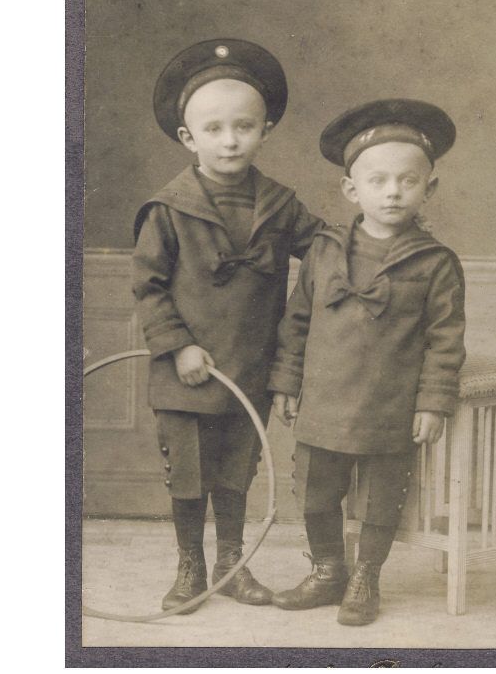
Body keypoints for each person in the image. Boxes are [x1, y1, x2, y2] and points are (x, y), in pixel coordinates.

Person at [132, 39, 324, 612]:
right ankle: (191, 565)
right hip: (187, 370)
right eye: (213, 129)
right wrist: (179, 346)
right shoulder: (168, 209)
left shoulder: (280, 204)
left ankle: (232, 565)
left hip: (249, 365)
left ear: (266, 129)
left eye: (244, 126)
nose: (231, 139)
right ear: (189, 138)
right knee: (188, 475)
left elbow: (324, 248)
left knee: (236, 472)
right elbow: (147, 286)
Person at [268, 99, 467, 626]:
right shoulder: (326, 250)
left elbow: (446, 340)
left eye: (407, 180)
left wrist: (433, 403)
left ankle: (365, 578)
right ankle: (330, 571)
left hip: (389, 406)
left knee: (381, 500)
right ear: (352, 190)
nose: (393, 191)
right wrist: (287, 382)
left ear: (430, 188)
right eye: (378, 181)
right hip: (325, 400)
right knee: (314, 493)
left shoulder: (436, 263)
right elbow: (297, 320)